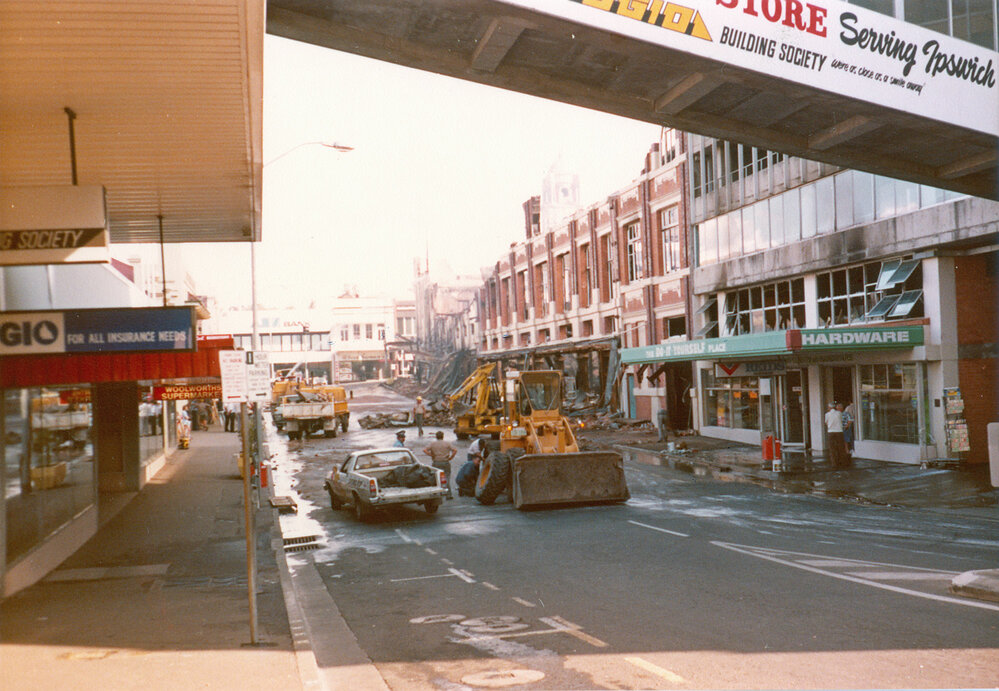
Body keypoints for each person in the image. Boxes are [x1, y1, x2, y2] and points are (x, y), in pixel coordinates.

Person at [423, 431, 457, 499]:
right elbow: (455, 450)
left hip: (436, 462)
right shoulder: (447, 443)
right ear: (443, 436)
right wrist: (451, 457)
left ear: (436, 436)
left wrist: (431, 455)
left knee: (435, 478)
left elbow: (424, 450)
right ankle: (448, 495)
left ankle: (436, 493)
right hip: (445, 462)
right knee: (446, 477)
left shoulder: (432, 443)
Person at [824, 401, 846, 468]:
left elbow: (826, 422)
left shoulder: (827, 414)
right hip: (839, 431)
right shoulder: (839, 413)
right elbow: (841, 420)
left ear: (829, 407)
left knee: (832, 448)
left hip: (831, 432)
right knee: (840, 447)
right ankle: (842, 461)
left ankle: (834, 463)